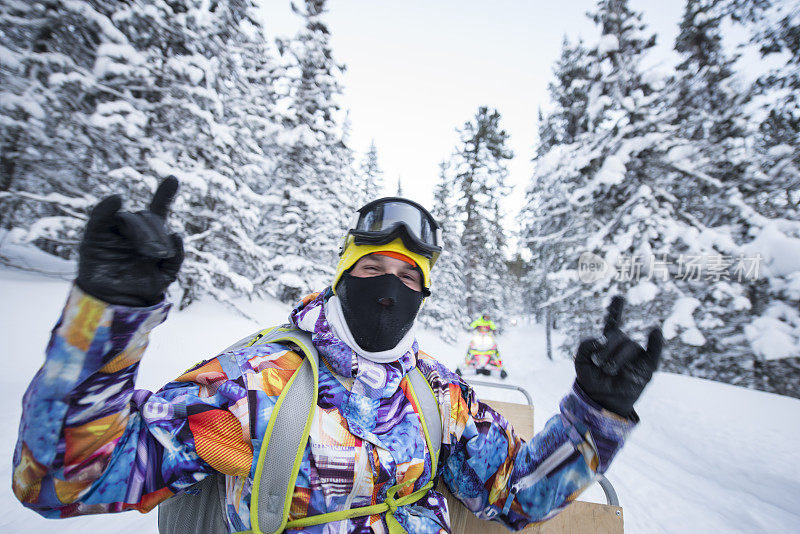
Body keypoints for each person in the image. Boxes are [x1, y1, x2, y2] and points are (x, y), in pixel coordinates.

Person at [12, 179, 663, 533]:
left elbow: (516, 495)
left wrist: (596, 415)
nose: (390, 289)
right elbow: (67, 475)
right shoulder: (258, 381)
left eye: (408, 279)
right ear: (342, 275)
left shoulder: (437, 395)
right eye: (373, 267)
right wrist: (109, 316)